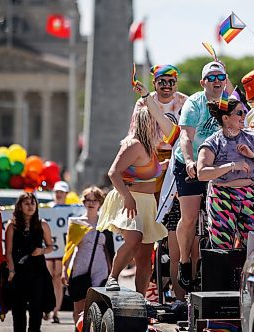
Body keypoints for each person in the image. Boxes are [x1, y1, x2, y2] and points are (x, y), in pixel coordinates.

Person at [96, 79, 175, 295]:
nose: (157, 125)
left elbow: (150, 170)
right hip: (129, 199)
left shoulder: (151, 147)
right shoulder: (133, 144)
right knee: (134, 238)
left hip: (147, 203)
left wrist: (168, 164)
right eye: (153, 121)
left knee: (144, 257)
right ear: (144, 123)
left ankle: (141, 299)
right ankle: (112, 278)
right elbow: (113, 172)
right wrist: (128, 198)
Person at [173, 60, 233, 291]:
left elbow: (240, 130)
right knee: (188, 217)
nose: (217, 82)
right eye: (212, 78)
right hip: (188, 162)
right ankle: (184, 261)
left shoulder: (230, 102)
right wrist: (189, 161)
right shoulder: (194, 103)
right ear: (203, 82)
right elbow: (186, 137)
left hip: (214, 163)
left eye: (221, 77)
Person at [197, 98, 254, 249]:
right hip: (221, 195)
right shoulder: (213, 142)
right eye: (239, 113)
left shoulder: (251, 138)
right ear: (225, 118)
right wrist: (231, 166)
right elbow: (201, 173)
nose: (244, 116)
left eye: (244, 112)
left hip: (248, 195)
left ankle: (248, 273)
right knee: (222, 248)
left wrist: (252, 155)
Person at [129, 64, 187, 202]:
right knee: (151, 198)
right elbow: (135, 132)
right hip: (152, 154)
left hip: (178, 154)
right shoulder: (143, 102)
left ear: (176, 84)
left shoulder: (186, 102)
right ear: (154, 83)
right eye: (162, 82)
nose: (167, 85)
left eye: (171, 81)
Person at [62, 186, 114, 324]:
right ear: (83, 202)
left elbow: (109, 250)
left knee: (99, 306)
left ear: (100, 203)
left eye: (95, 200)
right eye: (88, 200)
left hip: (101, 269)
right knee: (79, 309)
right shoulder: (76, 223)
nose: (91, 203)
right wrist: (64, 270)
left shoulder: (106, 223)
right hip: (80, 267)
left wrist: (113, 274)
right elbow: (69, 249)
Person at [5, 192, 55, 332]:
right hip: (18, 273)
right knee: (18, 312)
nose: (30, 206)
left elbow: (51, 247)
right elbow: (8, 251)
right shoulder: (12, 225)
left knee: (36, 310)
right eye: (26, 203)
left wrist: (42, 251)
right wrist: (11, 270)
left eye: (33, 203)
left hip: (37, 272)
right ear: (19, 206)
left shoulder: (42, 224)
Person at [45, 180, 69, 324]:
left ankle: (55, 310)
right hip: (49, 248)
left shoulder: (72, 209)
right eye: (57, 192)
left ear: (66, 194)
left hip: (62, 249)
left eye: (61, 192)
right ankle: (47, 308)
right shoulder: (47, 209)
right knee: (48, 278)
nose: (58, 194)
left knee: (58, 278)